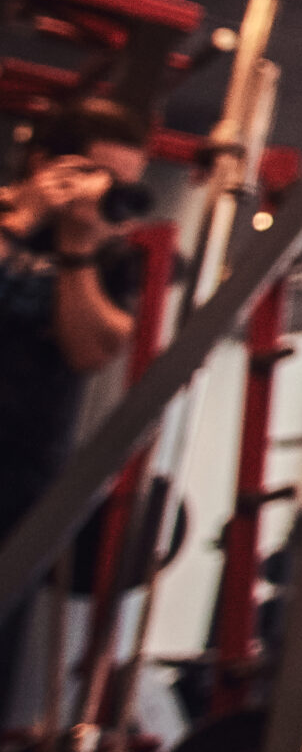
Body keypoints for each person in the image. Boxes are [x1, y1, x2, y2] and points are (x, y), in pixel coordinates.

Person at [0, 100, 154, 708]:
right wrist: (24, 216)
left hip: (23, 476)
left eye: (118, 184)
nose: (103, 193)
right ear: (42, 163)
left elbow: (92, 348)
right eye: (92, 173)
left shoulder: (108, 256)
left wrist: (77, 249)